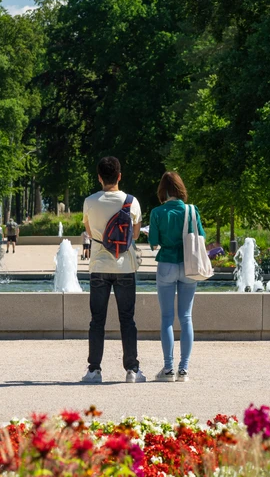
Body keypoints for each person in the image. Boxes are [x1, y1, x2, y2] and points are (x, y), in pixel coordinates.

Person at [80, 156, 144, 384]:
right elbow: (134, 236)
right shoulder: (131, 201)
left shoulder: (89, 201)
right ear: (119, 176)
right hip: (124, 266)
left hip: (98, 266)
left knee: (97, 320)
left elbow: (89, 232)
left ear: (99, 177)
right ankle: (132, 370)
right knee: (128, 319)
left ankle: (94, 370)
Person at [147, 171, 203, 382]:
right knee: (186, 317)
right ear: (180, 188)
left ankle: (168, 369)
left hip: (167, 265)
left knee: (167, 318)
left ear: (163, 190)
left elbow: (154, 242)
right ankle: (184, 369)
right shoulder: (191, 210)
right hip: (189, 265)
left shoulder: (157, 212)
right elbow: (201, 237)